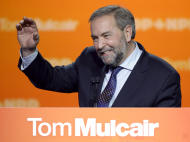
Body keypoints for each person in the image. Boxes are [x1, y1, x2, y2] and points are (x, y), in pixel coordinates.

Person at [16, 5, 181, 107]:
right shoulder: (90, 58)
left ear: (128, 32)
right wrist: (29, 51)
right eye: (95, 38)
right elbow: (50, 78)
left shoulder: (163, 76)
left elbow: (165, 134)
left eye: (106, 36)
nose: (100, 45)